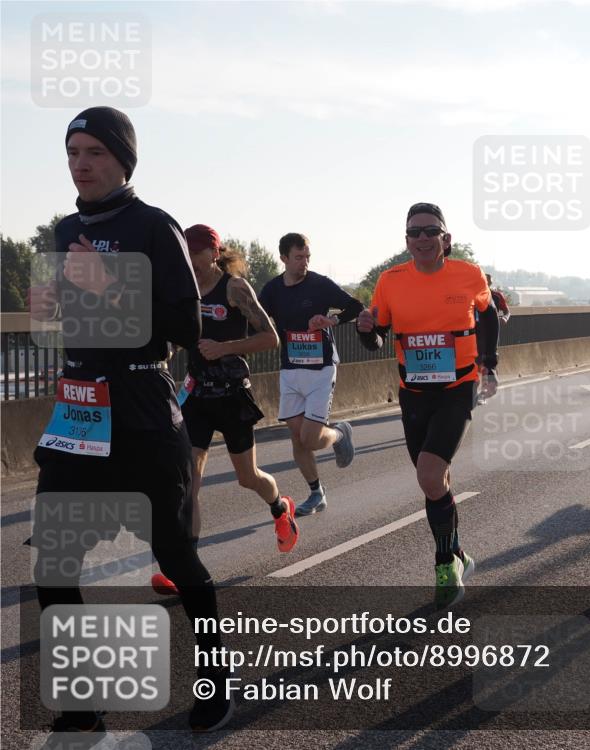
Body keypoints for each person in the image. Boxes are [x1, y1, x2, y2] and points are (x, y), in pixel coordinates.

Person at [29, 107, 233, 733]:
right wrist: (51, 305)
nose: (80, 163)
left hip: (143, 411)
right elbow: (70, 322)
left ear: (122, 159)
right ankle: (82, 702)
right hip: (80, 414)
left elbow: (186, 328)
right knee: (53, 566)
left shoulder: (154, 226)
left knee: (176, 556)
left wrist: (111, 288)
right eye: (72, 152)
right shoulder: (63, 231)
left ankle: (215, 683)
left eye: (93, 151)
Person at [356, 203, 499, 608]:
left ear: (445, 239)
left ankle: (444, 566)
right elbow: (378, 337)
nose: (421, 238)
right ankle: (458, 555)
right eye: (414, 233)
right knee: (434, 480)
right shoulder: (390, 281)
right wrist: (366, 329)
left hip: (458, 387)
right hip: (414, 392)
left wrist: (489, 361)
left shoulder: (468, 274)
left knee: (430, 474)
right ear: (406, 241)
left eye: (430, 231)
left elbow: (488, 317)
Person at [149, 226, 298, 596]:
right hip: (197, 395)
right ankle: (186, 569)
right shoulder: (182, 287)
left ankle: (280, 508)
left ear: (213, 254)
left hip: (232, 395)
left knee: (247, 477)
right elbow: (179, 338)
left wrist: (225, 347)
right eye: (186, 251)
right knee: (190, 484)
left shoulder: (234, 288)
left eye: (196, 252)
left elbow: (271, 338)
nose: (190, 260)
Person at [258, 234, 363, 516]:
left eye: (307, 257)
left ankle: (340, 434)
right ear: (283, 258)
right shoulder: (271, 290)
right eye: (298, 257)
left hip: (321, 369)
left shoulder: (319, 285)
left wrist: (332, 320)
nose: (304, 262)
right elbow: (255, 318)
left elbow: (355, 307)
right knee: (297, 438)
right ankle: (316, 492)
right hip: (290, 370)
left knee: (310, 439)